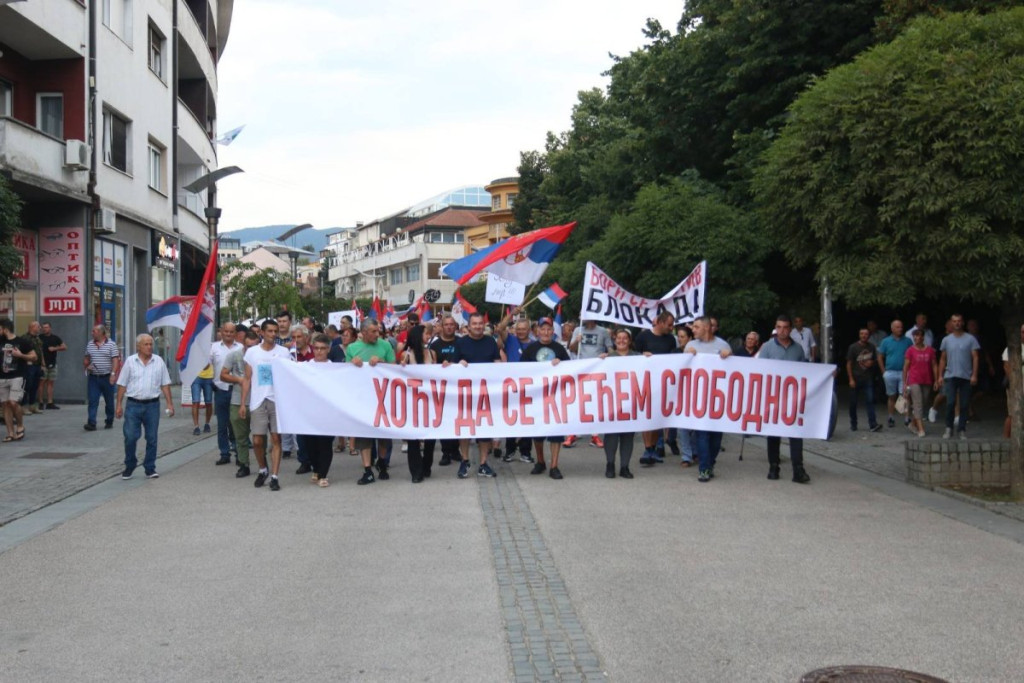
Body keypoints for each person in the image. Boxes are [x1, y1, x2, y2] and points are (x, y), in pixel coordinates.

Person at [239, 319, 291, 491]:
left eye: (275, 331)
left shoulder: (284, 352)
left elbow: (290, 376)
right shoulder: (252, 352)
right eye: (269, 331)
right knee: (257, 440)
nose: (273, 334)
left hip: (277, 401)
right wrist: (243, 403)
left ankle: (275, 476)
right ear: (262, 333)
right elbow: (247, 378)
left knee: (276, 438)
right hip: (258, 400)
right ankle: (263, 469)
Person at [757, 315, 810, 483]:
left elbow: (805, 372)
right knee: (773, 433)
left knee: (796, 433)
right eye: (779, 327)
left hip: (792, 398)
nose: (782, 331)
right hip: (773, 397)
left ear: (790, 329)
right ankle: (774, 466)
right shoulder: (767, 347)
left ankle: (798, 469)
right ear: (776, 327)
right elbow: (759, 371)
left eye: (785, 327)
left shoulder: (798, 349)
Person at [449, 311, 501, 479]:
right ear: (469, 326)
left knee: (484, 430)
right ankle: (465, 461)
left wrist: (501, 366)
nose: (478, 327)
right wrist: (459, 364)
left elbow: (497, 362)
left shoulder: (491, 342)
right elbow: (453, 365)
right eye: (475, 324)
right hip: (466, 394)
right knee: (465, 429)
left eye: (480, 323)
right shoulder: (461, 343)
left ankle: (483, 464)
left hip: (486, 394)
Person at [115, 334, 174, 480]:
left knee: (152, 438)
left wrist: (170, 404)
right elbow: (122, 384)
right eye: (146, 344)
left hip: (152, 405)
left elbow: (165, 384)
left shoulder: (158, 361)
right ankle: (130, 464)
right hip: (133, 404)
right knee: (130, 437)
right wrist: (118, 405)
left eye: (150, 344)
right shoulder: (130, 361)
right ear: (138, 346)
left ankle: (150, 467)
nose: (149, 347)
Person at [347, 319, 397, 485]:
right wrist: (351, 364)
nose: (377, 334)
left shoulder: (386, 346)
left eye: (378, 331)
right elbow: (343, 373)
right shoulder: (352, 348)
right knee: (364, 436)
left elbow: (395, 368)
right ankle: (367, 470)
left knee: (383, 435)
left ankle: (382, 464)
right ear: (364, 332)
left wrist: (383, 364)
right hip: (362, 399)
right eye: (373, 331)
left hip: (383, 397)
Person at [684, 316, 732, 482]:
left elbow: (733, 370)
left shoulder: (723, 345)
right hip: (698, 398)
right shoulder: (690, 346)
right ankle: (704, 468)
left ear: (706, 327)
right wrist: (687, 356)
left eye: (696, 327)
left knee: (716, 438)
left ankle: (710, 463)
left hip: (718, 399)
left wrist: (729, 356)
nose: (693, 329)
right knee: (702, 434)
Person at [523, 317, 571, 479]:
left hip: (555, 396)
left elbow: (571, 369)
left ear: (553, 331)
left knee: (556, 432)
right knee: (538, 432)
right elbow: (520, 370)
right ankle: (540, 461)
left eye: (548, 329)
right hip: (537, 396)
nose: (545, 332)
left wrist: (561, 363)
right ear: (537, 331)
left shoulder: (559, 349)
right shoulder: (530, 349)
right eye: (542, 329)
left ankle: (554, 466)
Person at [636, 311, 678, 465]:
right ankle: (647, 448)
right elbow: (633, 357)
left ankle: (653, 448)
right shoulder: (643, 337)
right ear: (660, 322)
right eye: (669, 325)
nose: (671, 328)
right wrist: (642, 356)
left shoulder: (671, 340)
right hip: (646, 382)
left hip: (663, 384)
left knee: (657, 418)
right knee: (647, 416)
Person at [563, 319, 613, 449]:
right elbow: (571, 349)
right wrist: (576, 341)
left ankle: (595, 435)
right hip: (581, 371)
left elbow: (611, 349)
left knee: (596, 403)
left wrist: (607, 355)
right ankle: (572, 434)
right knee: (577, 402)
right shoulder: (578, 330)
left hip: (597, 371)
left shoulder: (603, 331)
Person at [220, 329, 259, 478]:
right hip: (238, 400)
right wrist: (238, 379)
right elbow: (223, 375)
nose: (250, 349)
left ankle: (263, 464)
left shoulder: (262, 357)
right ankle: (243, 464)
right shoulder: (234, 355)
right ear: (243, 344)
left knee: (259, 437)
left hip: (258, 400)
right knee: (240, 436)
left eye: (254, 346)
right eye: (248, 346)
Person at [599, 328, 638, 478]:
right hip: (612, 402)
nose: (621, 341)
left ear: (629, 341)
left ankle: (624, 467)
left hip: (631, 401)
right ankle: (610, 464)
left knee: (628, 435)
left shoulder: (637, 357)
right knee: (611, 434)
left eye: (625, 338)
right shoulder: (608, 357)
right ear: (614, 340)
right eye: (618, 338)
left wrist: (649, 358)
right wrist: (599, 361)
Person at [496, 314, 535, 463]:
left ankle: (525, 452)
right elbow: (500, 328)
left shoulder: (535, 345)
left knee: (528, 420)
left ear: (529, 330)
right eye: (518, 329)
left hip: (529, 388)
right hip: (511, 387)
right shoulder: (511, 340)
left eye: (524, 329)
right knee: (511, 419)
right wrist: (512, 314)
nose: (521, 332)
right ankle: (510, 450)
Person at [401, 324, 436, 483]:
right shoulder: (406, 355)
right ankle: (416, 471)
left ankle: (426, 465)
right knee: (413, 436)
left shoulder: (432, 354)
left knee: (431, 436)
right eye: (426, 333)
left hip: (430, 401)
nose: (429, 336)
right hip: (412, 401)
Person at [937, 313, 979, 440]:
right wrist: (940, 376)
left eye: (959, 321)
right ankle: (948, 427)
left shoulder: (970, 339)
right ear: (951, 323)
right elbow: (942, 359)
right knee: (950, 403)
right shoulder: (946, 340)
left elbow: (975, 357)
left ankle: (961, 429)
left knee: (964, 404)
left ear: (963, 322)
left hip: (966, 376)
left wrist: (974, 374)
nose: (957, 323)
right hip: (950, 375)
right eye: (954, 321)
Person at [305, 334, 339, 487]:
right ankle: (316, 469)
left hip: (327, 412)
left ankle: (323, 474)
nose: (319, 351)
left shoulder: (335, 368)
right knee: (310, 445)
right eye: (316, 348)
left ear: (328, 349)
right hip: (309, 411)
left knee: (325, 443)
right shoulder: (305, 367)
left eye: (322, 348)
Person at [430, 315, 463, 467]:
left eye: (451, 324)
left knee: (457, 418)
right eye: (446, 325)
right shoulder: (435, 345)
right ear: (442, 327)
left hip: (458, 387)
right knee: (444, 419)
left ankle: (456, 450)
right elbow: (431, 365)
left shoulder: (461, 342)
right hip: (442, 388)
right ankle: (446, 452)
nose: (449, 327)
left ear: (455, 326)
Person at [0, 318, 35, 442]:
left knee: (13, 402)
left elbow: (34, 357)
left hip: (18, 376)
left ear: (5, 329)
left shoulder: (22, 342)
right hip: (2, 377)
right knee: (5, 404)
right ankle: (10, 433)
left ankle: (20, 425)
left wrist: (21, 355)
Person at [210, 322, 239, 465]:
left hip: (237, 390)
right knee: (222, 425)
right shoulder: (213, 347)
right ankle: (224, 453)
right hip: (220, 390)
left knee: (236, 424)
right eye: (226, 331)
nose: (228, 334)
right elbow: (206, 365)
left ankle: (239, 452)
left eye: (231, 332)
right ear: (221, 332)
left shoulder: (240, 348)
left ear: (235, 333)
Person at [83, 324, 120, 431]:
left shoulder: (111, 345)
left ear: (101, 333)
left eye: (94, 331)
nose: (92, 333)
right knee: (93, 400)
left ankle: (109, 420)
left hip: (107, 377)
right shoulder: (90, 344)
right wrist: (87, 366)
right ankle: (91, 423)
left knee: (109, 401)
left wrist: (113, 374)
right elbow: (86, 358)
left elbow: (115, 360)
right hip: (94, 378)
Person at [877, 319, 913, 428]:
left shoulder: (907, 341)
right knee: (892, 396)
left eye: (901, 327)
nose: (900, 329)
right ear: (892, 329)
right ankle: (891, 417)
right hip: (890, 372)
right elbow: (880, 356)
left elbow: (912, 356)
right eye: (897, 327)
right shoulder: (886, 341)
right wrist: (883, 371)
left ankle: (906, 417)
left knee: (905, 395)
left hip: (903, 372)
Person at [902, 328, 937, 438]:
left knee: (924, 402)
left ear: (923, 337)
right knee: (918, 403)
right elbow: (906, 367)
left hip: (927, 379)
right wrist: (904, 383)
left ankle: (913, 423)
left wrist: (936, 379)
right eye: (915, 336)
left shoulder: (930, 350)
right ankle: (921, 429)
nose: (916, 338)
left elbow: (934, 365)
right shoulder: (910, 350)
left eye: (918, 336)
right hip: (914, 379)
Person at [846, 328, 881, 432]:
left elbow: (875, 360)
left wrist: (871, 363)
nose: (864, 336)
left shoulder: (871, 347)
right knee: (853, 402)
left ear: (868, 336)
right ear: (859, 335)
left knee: (870, 401)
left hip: (868, 378)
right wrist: (851, 379)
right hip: (855, 377)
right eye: (862, 334)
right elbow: (849, 363)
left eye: (866, 334)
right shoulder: (853, 347)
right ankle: (853, 423)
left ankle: (873, 424)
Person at [39, 322, 66, 410]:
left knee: (50, 383)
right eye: (43, 327)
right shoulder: (39, 338)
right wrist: (42, 363)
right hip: (42, 364)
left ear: (50, 328)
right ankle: (40, 402)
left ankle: (50, 402)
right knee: (41, 382)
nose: (45, 329)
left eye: (46, 327)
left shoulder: (55, 338)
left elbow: (64, 347)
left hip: (53, 363)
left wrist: (55, 348)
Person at [22, 321, 44, 414]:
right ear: (32, 327)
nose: (40, 328)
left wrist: (43, 364)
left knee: (35, 386)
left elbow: (40, 351)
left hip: (37, 365)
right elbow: (22, 351)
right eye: (38, 326)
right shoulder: (25, 338)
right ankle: (23, 406)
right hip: (29, 365)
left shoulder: (37, 338)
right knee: (27, 386)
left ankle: (32, 406)